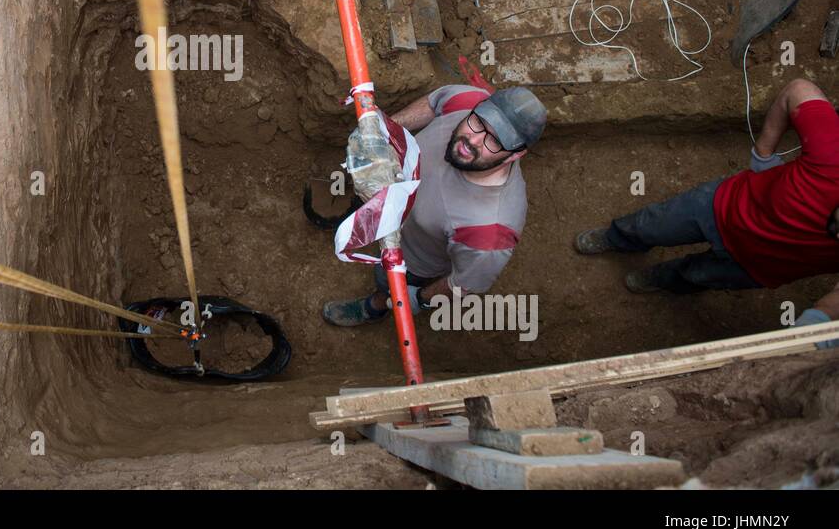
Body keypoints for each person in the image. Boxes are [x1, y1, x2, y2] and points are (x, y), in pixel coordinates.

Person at [574, 77, 839, 346]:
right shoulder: (834, 155)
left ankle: (657, 278)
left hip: (755, 268)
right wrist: (762, 154)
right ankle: (616, 238)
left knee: (695, 275)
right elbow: (798, 90)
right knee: (651, 224)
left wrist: (816, 326)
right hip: (721, 207)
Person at [322, 84, 547, 326]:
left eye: (494, 140)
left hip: (409, 257)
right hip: (390, 187)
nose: (472, 140)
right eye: (479, 122)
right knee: (365, 196)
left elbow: (463, 284)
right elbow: (433, 103)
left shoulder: (490, 232)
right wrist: (382, 132)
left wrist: (420, 298)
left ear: (514, 155)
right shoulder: (469, 99)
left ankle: (373, 308)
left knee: (387, 284)